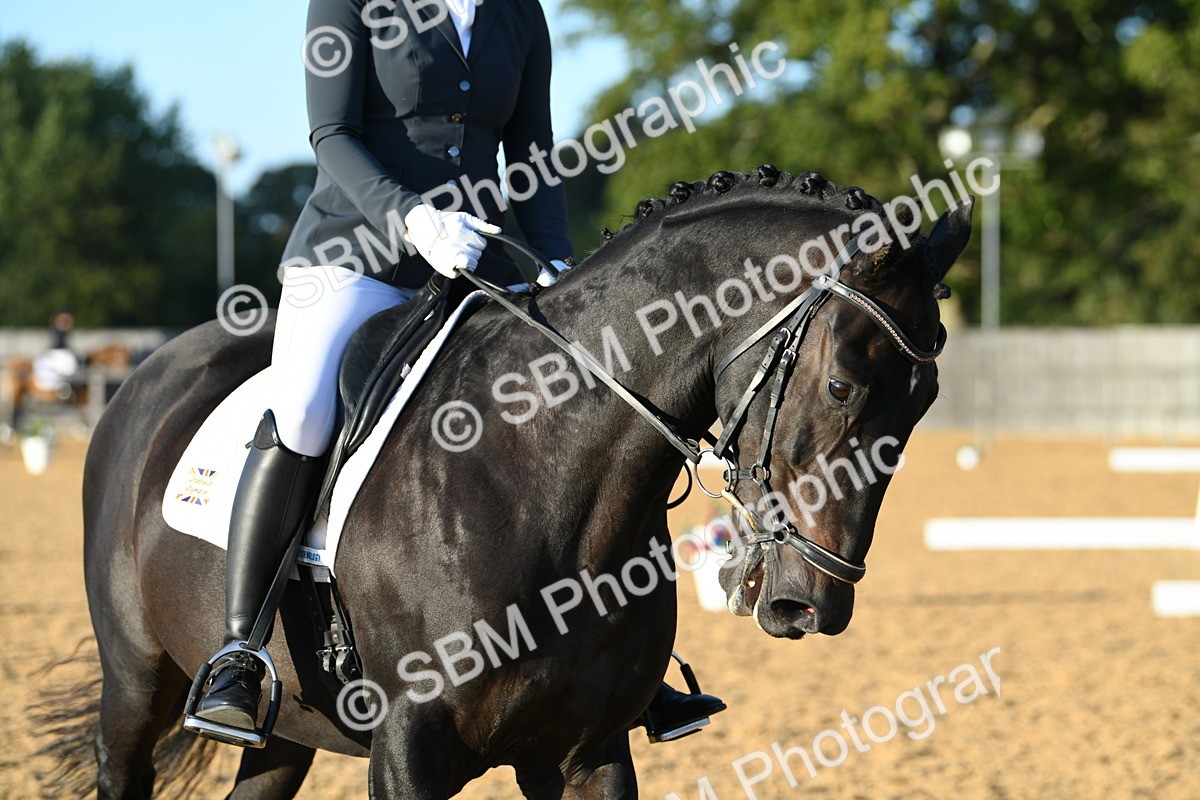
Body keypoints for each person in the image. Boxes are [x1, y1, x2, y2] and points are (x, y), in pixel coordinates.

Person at [191, 0, 724, 745]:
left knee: (587, 405)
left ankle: (627, 657)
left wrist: (560, 264)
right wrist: (412, 217)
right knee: (306, 409)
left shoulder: (518, 13)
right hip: (356, 254)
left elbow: (531, 152)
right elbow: (332, 135)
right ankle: (239, 652)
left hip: (479, 258)